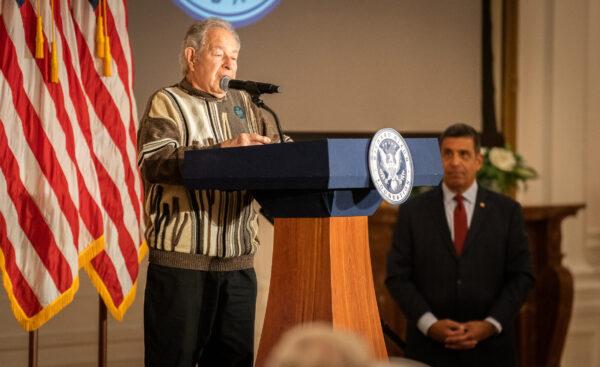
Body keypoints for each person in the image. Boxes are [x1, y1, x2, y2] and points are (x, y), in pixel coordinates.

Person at [137, 18, 281, 367]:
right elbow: (155, 162)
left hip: (238, 266)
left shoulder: (249, 106)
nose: (230, 64)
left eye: (235, 56)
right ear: (192, 56)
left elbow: (280, 160)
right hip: (181, 267)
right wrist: (222, 152)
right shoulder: (167, 101)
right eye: (220, 54)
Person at [385, 123, 534, 366]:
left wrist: (490, 325)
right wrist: (429, 324)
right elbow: (397, 276)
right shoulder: (413, 211)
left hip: (491, 351)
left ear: (478, 161)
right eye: (448, 153)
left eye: (463, 154)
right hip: (429, 349)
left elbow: (522, 276)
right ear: (439, 159)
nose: (455, 162)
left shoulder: (507, 211)